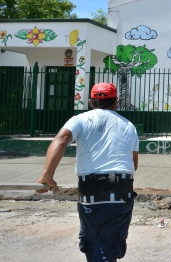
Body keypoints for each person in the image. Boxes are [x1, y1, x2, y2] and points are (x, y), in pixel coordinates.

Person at [37, 83, 139, 262]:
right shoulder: (129, 125)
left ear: (91, 102)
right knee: (105, 249)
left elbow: (61, 140)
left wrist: (47, 175)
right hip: (120, 193)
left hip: (89, 194)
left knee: (92, 247)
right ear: (116, 102)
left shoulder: (79, 120)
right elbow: (134, 163)